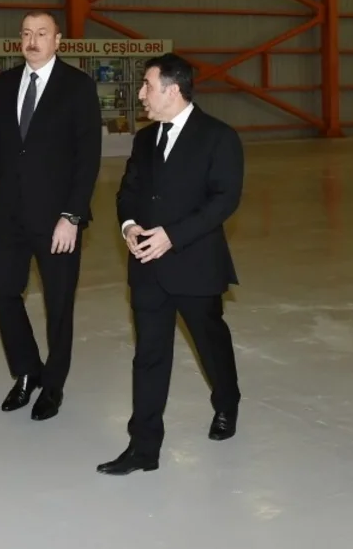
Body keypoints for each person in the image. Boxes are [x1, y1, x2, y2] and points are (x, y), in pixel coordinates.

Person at [97, 52, 244, 476]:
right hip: (147, 265)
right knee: (148, 355)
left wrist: (172, 236)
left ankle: (227, 402)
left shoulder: (218, 137)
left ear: (172, 90)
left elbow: (224, 199)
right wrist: (129, 226)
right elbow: (128, 191)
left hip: (194, 264)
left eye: (147, 85)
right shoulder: (144, 140)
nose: (141, 94)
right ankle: (143, 447)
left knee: (210, 344)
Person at [0, 10, 102, 421]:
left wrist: (72, 216)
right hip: (10, 214)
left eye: (42, 33)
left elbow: (88, 157)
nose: (32, 40)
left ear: (57, 41)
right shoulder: (5, 84)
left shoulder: (77, 86)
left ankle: (53, 386)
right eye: (26, 33)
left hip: (58, 219)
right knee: (2, 290)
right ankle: (27, 371)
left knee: (59, 305)